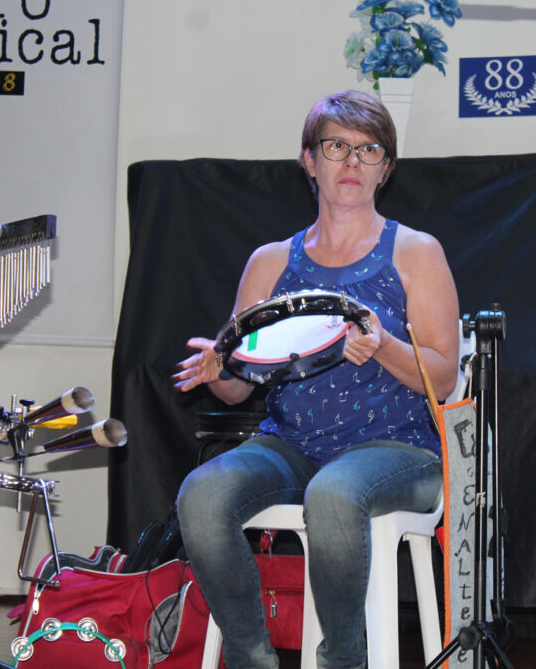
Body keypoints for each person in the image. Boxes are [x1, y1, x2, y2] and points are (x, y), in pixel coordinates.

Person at [173, 90, 460, 669]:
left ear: (385, 168)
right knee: (200, 496)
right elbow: (238, 389)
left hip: (398, 449)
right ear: (309, 160)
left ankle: (341, 660)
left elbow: (444, 376)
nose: (352, 161)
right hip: (292, 445)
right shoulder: (272, 261)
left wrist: (384, 345)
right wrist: (220, 369)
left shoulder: (414, 252)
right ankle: (252, 660)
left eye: (368, 149)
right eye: (336, 147)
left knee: (333, 495)